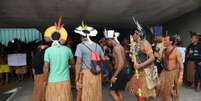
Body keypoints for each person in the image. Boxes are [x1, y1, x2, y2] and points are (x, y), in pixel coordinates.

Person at [43, 17, 75, 101]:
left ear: (51, 38)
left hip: (52, 80)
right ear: (61, 37)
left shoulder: (48, 50)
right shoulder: (68, 49)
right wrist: (73, 71)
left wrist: (45, 80)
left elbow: (46, 67)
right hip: (65, 80)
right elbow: (73, 63)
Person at [74, 22, 105, 101]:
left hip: (86, 74)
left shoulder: (80, 46)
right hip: (96, 73)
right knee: (95, 94)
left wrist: (76, 78)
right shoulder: (98, 46)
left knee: (86, 95)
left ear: (82, 36)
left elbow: (78, 63)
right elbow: (103, 59)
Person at [127, 29, 156, 101]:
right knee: (138, 93)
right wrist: (132, 57)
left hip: (145, 72)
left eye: (133, 34)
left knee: (144, 95)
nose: (133, 36)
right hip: (138, 72)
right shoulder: (136, 44)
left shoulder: (145, 43)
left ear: (138, 34)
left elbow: (152, 58)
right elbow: (136, 56)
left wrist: (140, 65)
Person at [104, 30, 130, 101]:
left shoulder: (116, 48)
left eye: (107, 41)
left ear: (110, 39)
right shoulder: (119, 47)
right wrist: (110, 54)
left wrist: (114, 75)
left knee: (111, 92)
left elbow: (121, 63)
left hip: (120, 71)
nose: (107, 43)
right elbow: (118, 58)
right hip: (123, 71)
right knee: (118, 91)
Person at [158, 35, 184, 101]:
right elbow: (163, 61)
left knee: (170, 89)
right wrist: (158, 57)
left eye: (165, 40)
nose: (163, 41)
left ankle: (174, 97)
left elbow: (181, 65)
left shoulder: (176, 51)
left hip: (173, 73)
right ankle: (173, 95)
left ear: (171, 42)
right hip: (164, 72)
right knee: (159, 86)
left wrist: (181, 77)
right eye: (163, 40)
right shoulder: (164, 50)